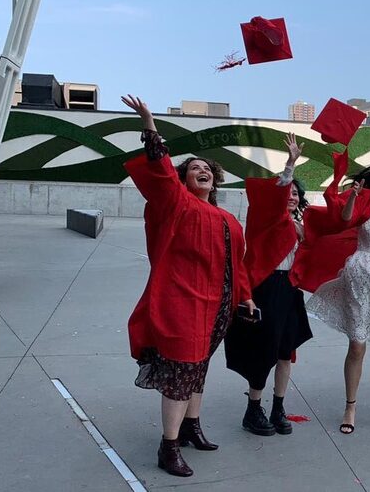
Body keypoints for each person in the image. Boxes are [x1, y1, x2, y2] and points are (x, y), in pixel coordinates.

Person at [121, 95, 254, 478]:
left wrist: (244, 296)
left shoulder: (228, 217)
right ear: (182, 179)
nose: (202, 171)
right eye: (193, 168)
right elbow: (160, 171)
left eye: (207, 169)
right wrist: (149, 124)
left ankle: (192, 427)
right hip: (182, 300)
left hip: (218, 305)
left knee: (198, 368)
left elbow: (237, 263)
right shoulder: (176, 203)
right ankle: (168, 446)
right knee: (181, 371)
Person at [292, 154, 370, 435]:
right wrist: (352, 197)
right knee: (357, 344)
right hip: (360, 275)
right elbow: (346, 219)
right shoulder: (365, 203)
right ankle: (350, 406)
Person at [225, 132, 312, 437]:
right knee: (264, 351)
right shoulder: (263, 217)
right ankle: (253, 408)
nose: (291, 196)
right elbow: (274, 197)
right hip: (266, 287)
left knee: (285, 351)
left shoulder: (301, 228)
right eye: (286, 192)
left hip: (289, 289)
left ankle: (278, 406)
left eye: (295, 194)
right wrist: (289, 165)